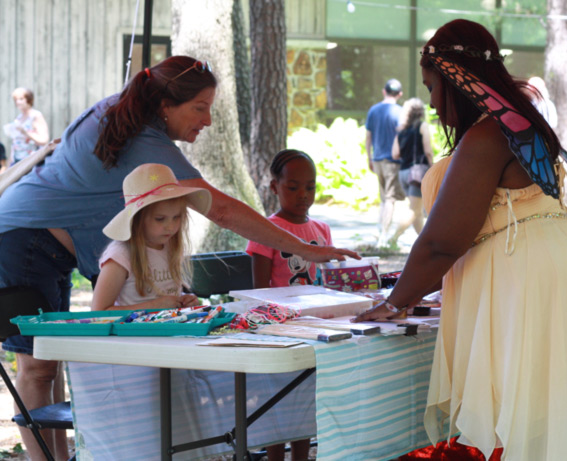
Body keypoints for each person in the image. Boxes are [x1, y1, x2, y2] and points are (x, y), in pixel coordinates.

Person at [0, 56, 358, 461]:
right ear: (166, 104)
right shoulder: (144, 139)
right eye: (200, 108)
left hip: (44, 236)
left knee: (50, 359)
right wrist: (307, 248)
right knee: (39, 365)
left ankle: (58, 457)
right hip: (24, 235)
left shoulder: (126, 114)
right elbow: (220, 210)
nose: (206, 121)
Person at [355, 19, 567, 460]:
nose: (430, 102)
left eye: (432, 87)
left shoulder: (488, 134)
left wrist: (395, 301)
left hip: (532, 277)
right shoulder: (521, 123)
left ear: (455, 80)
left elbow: (442, 243)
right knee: (563, 418)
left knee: (530, 420)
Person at [246, 149, 328, 461]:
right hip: (280, 330)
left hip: (313, 326)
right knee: (278, 397)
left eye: (310, 186)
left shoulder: (321, 230)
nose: (303, 195)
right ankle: (275, 455)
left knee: (306, 396)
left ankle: (301, 456)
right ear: (274, 187)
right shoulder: (265, 231)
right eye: (292, 187)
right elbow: (259, 290)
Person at [91, 163, 209, 311]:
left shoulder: (170, 245)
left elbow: (167, 295)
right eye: (160, 219)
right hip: (134, 334)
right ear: (137, 219)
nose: (171, 227)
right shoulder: (120, 255)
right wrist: (153, 307)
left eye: (176, 217)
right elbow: (98, 311)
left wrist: (184, 300)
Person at [365, 78, 405, 247]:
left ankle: (380, 231)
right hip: (393, 161)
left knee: (383, 197)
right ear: (400, 94)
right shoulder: (401, 112)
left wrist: (369, 157)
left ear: (384, 91)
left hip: (378, 159)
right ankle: (383, 236)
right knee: (390, 199)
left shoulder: (373, 111)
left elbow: (368, 136)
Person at [389, 97, 433, 246]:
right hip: (418, 173)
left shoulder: (401, 131)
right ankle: (392, 239)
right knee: (414, 210)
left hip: (404, 173)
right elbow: (428, 150)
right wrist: (432, 166)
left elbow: (395, 154)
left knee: (418, 211)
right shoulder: (422, 126)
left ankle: (425, 242)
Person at [4, 87, 49, 165]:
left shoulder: (36, 116)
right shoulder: (18, 118)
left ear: (29, 99)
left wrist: (25, 132)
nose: (18, 102)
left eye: (21, 99)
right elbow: (15, 142)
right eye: (16, 100)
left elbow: (44, 140)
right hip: (17, 160)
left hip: (31, 161)